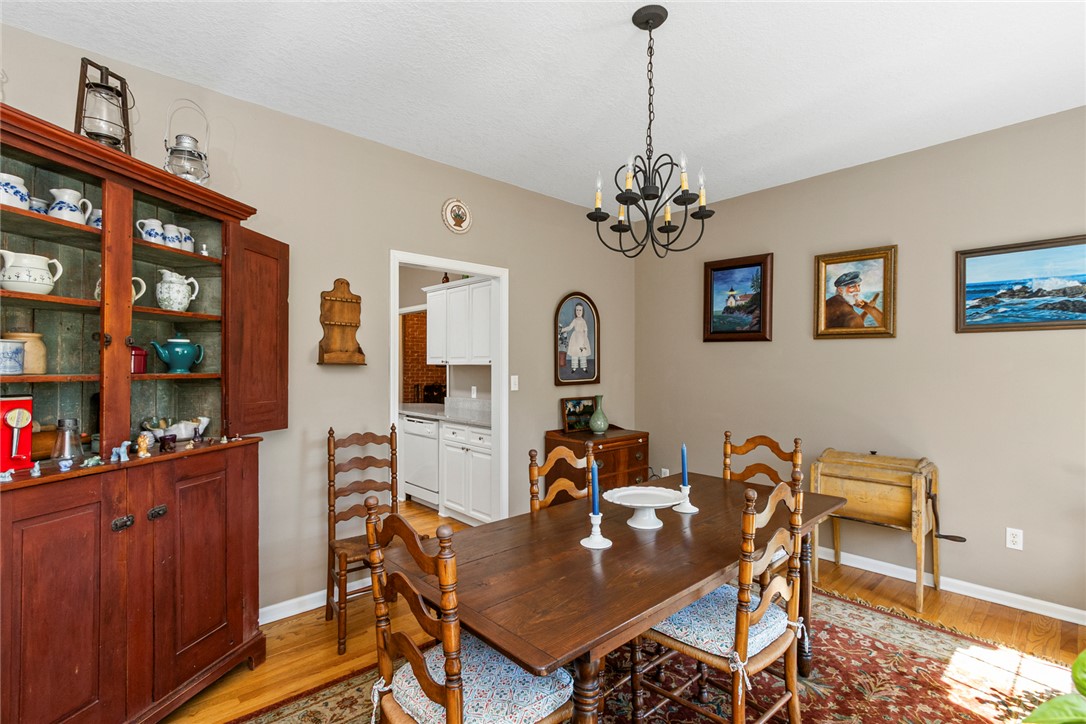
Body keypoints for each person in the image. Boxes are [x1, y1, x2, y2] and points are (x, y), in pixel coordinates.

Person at [560, 302, 592, 372]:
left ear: (583, 311)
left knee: (583, 353)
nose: (578, 312)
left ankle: (584, 367)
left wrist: (585, 340)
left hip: (582, 338)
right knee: (574, 353)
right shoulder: (574, 320)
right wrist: (562, 330)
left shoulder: (583, 321)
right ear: (575, 311)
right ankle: (574, 367)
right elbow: (569, 327)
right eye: (577, 310)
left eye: (580, 310)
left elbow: (586, 330)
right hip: (575, 339)